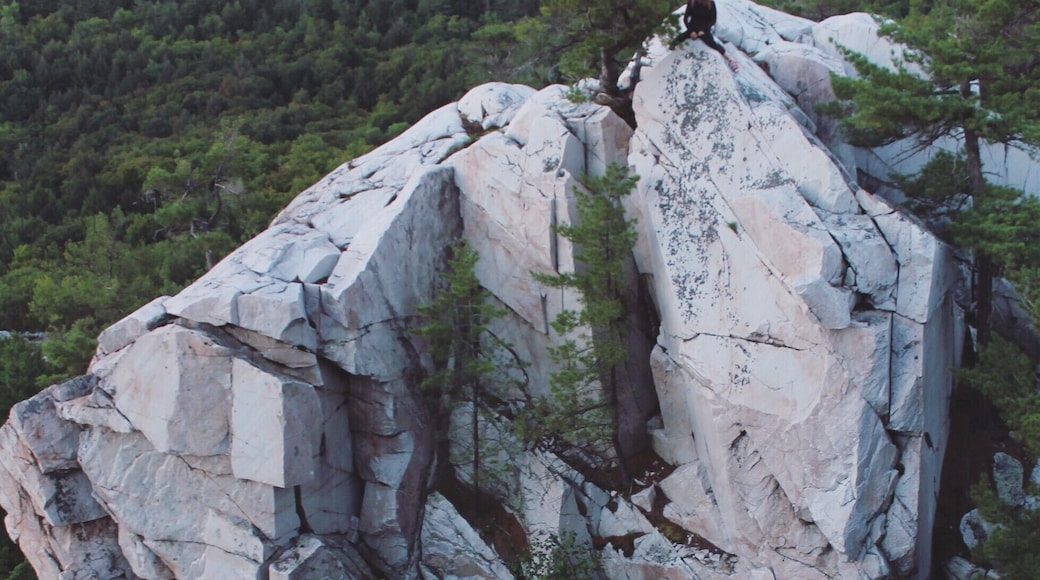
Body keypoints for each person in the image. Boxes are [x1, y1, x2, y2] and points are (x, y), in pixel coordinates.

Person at [669, 0, 739, 71]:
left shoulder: (711, 3)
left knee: (713, 44)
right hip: (693, 28)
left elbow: (712, 20)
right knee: (678, 39)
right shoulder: (692, 2)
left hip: (704, 30)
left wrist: (703, 30)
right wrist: (691, 31)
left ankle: (730, 60)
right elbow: (685, 19)